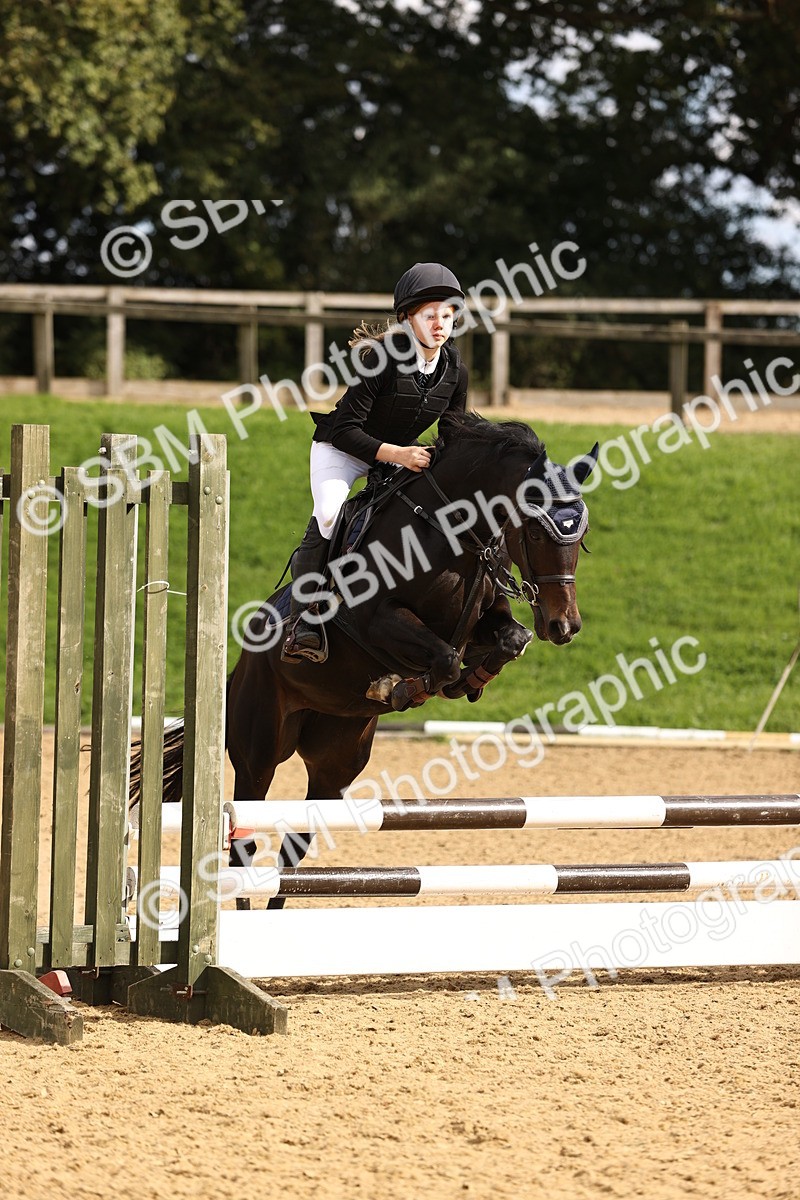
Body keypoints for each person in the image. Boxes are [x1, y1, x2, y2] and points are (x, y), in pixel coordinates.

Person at [282, 261, 469, 663]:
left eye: (448, 315)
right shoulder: (381, 359)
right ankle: (305, 622)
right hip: (342, 452)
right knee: (331, 514)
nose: (441, 324)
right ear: (407, 318)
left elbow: (454, 431)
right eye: (430, 315)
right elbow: (346, 430)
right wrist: (399, 454)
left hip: (398, 455)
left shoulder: (455, 370)